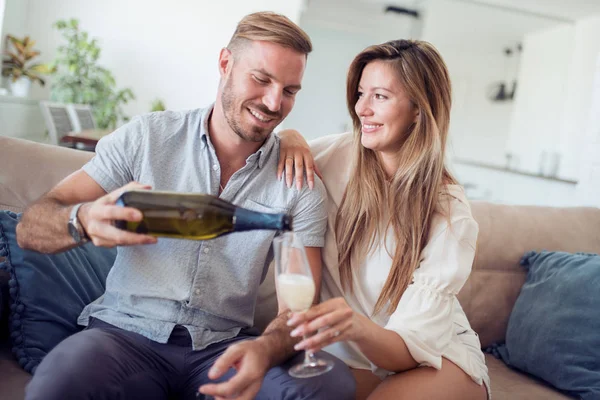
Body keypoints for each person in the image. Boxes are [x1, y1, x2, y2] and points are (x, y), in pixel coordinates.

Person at [16, 11, 356, 400]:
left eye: (290, 90)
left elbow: (296, 309)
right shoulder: (148, 137)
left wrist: (264, 349)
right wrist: (83, 220)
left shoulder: (299, 182)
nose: (274, 102)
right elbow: (31, 227)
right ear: (225, 63)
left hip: (224, 347)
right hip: (123, 337)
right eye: (261, 79)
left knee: (328, 385)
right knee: (59, 383)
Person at [276, 39, 491, 399]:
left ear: (418, 110)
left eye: (380, 96)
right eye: (361, 93)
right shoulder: (338, 154)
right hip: (356, 357)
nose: (362, 109)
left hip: (432, 358)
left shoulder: (449, 212)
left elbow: (408, 350)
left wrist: (353, 325)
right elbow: (271, 153)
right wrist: (288, 136)